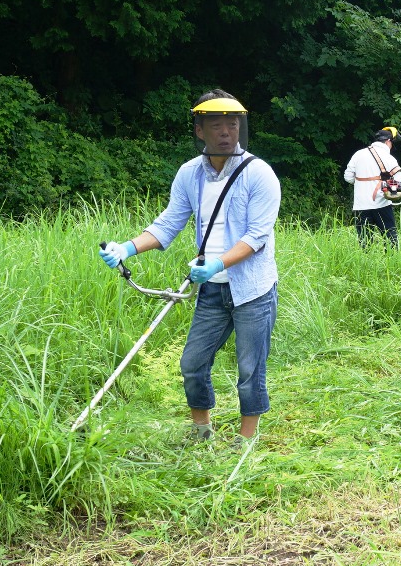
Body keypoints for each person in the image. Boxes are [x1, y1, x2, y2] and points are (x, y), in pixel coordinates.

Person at [99, 89, 281, 448]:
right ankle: (201, 431)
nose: (227, 132)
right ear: (200, 130)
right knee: (192, 363)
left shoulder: (260, 174)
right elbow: (168, 224)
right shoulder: (189, 174)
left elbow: (256, 237)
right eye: (217, 125)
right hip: (211, 288)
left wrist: (217, 261)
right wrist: (127, 249)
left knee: (249, 370)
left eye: (233, 124)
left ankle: (247, 441)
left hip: (253, 289)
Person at [344, 127, 401, 247]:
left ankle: (365, 265)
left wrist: (362, 184)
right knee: (391, 242)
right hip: (382, 204)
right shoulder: (390, 159)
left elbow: (348, 177)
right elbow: (398, 185)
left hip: (360, 205)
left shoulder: (358, 154)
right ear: (388, 141)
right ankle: (392, 264)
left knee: (365, 243)